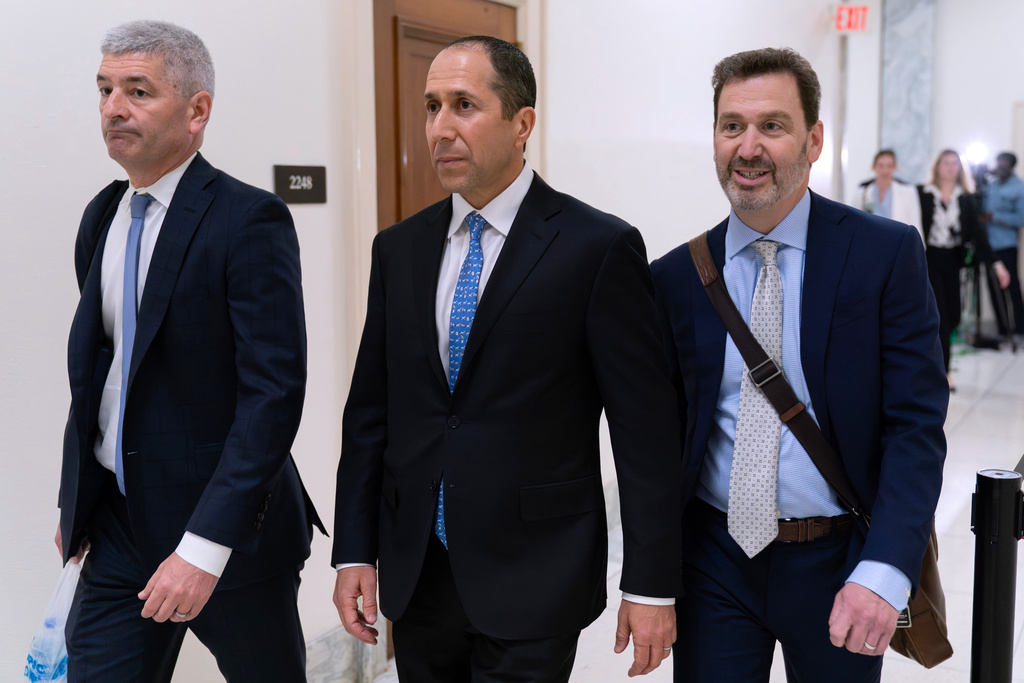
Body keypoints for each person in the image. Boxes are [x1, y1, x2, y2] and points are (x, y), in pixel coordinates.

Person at [331, 35, 682, 682]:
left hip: (536, 572)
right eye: (432, 106)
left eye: (464, 104)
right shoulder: (399, 249)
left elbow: (646, 434)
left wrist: (652, 583)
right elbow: (371, 412)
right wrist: (353, 549)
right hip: (419, 571)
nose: (441, 127)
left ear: (522, 123)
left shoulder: (596, 248)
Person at [650, 47, 947, 682]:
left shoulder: (883, 254)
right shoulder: (675, 278)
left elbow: (915, 426)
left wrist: (887, 567)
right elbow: (656, 441)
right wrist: (648, 581)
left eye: (772, 126)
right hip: (714, 564)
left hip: (841, 560)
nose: (748, 147)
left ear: (813, 140)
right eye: (732, 126)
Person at [57, 20, 324, 682]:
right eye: (104, 89)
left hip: (230, 530)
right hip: (119, 525)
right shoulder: (102, 216)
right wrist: (78, 498)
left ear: (197, 110)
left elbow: (272, 393)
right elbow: (109, 372)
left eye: (138, 91)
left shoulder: (247, 219)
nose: (113, 109)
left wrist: (205, 548)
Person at [919, 150, 1010, 388]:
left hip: (953, 260)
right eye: (945, 163)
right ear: (937, 167)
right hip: (929, 260)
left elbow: (978, 236)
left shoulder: (965, 199)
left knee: (954, 316)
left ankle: (936, 365)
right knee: (941, 317)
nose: (950, 167)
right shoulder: (924, 195)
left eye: (954, 163)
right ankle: (943, 373)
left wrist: (997, 264)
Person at [979, 151, 1024, 340]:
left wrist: (994, 217)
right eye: (999, 162)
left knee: (1012, 286)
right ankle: (1003, 329)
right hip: (989, 246)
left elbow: (1020, 218)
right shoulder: (990, 184)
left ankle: (1020, 329)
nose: (1000, 166)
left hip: (1006, 244)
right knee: (993, 288)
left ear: (1012, 166)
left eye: (1004, 163)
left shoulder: (1019, 188)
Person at [855, 149, 923, 241]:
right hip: (870, 241)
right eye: (881, 165)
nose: (885, 170)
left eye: (889, 166)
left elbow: (915, 222)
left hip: (897, 242)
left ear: (895, 168)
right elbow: (856, 220)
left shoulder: (908, 191)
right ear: (874, 167)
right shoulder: (864, 191)